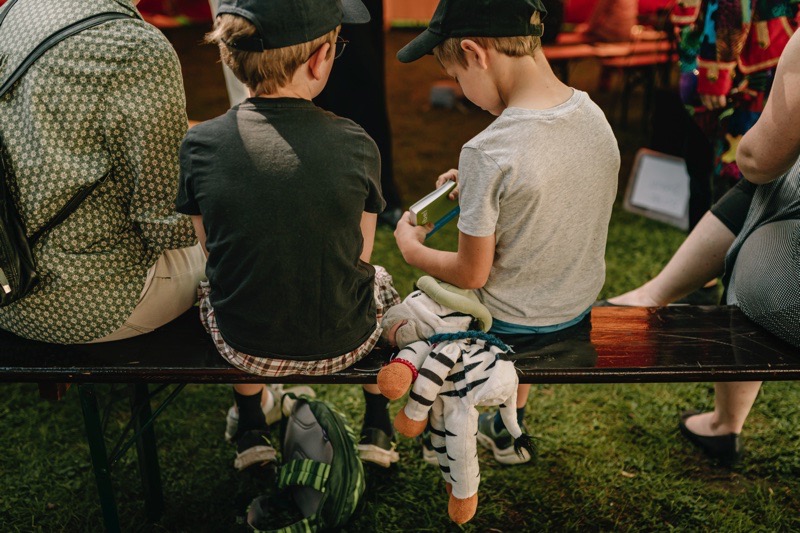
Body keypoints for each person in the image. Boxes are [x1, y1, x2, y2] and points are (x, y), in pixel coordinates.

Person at [178, 0, 403, 471]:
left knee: (223, 281)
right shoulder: (357, 142)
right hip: (345, 341)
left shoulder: (199, 144)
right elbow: (359, 252)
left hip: (244, 343)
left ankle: (249, 425)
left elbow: (211, 248)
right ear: (321, 60)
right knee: (379, 280)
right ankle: (377, 424)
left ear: (228, 57)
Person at [393, 0, 620, 465]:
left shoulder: (489, 150)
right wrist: (479, 187)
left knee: (405, 315)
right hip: (573, 310)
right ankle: (507, 420)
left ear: (476, 53)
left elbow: (471, 274)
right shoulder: (593, 115)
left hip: (510, 325)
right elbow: (549, 185)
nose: (461, 88)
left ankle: (446, 420)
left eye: (456, 77)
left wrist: (412, 250)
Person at [606, 30, 800, 466]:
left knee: (768, 182)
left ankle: (724, 423)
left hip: (787, 301)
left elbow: (757, 159)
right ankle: (652, 295)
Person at [0, 0, 204, 344]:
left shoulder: (13, 10)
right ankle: (258, 392)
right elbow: (166, 225)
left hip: (8, 290)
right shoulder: (135, 47)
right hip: (91, 303)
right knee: (251, 243)